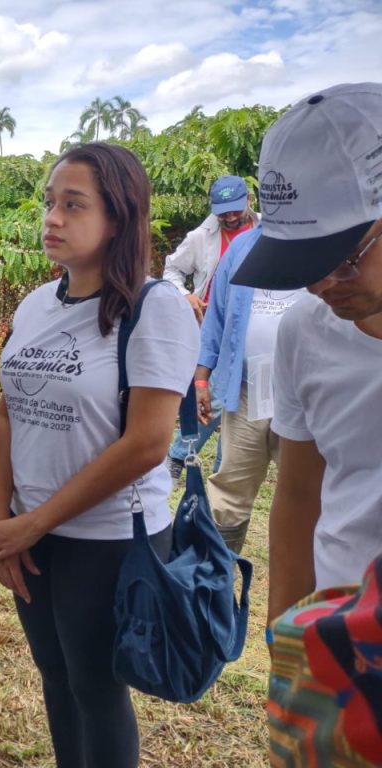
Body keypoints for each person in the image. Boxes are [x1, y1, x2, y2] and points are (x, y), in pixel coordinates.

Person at [0, 143, 199, 768]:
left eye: (72, 204)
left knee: (97, 690)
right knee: (55, 676)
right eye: (50, 203)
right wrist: (5, 523)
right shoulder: (35, 304)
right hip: (30, 531)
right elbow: (6, 410)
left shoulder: (154, 308)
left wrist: (37, 521)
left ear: (119, 216)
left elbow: (147, 442)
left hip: (106, 539)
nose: (52, 217)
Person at [228, 82, 382, 622]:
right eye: (303, 265)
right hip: (343, 648)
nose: (320, 285)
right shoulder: (306, 333)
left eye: (343, 257)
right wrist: (287, 648)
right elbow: (297, 498)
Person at [192, 227, 304, 553]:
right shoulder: (242, 246)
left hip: (304, 395)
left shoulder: (323, 241)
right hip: (247, 389)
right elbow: (216, 316)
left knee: (307, 492)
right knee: (230, 491)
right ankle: (215, 582)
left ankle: (305, 588)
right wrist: (202, 378)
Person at [162, 176, 258, 480]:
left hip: (255, 324)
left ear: (249, 201)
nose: (230, 217)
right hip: (214, 326)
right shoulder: (200, 236)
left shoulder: (265, 229)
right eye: (223, 212)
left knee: (240, 400)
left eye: (235, 210)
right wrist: (186, 294)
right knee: (213, 395)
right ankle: (178, 457)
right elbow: (171, 269)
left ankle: (220, 468)